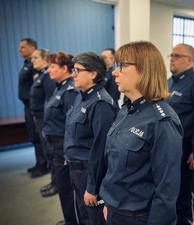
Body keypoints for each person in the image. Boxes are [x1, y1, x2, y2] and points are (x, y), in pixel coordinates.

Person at [100, 41, 183, 225]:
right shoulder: (126, 110)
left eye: (121, 65)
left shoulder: (162, 121)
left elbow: (166, 190)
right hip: (115, 208)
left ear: (145, 69)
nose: (114, 72)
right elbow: (113, 163)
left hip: (138, 217)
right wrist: (109, 202)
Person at [64, 52, 118, 225]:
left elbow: (101, 149)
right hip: (76, 168)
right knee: (82, 214)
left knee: (92, 218)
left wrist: (92, 187)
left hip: (89, 172)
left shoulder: (101, 103)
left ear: (93, 74)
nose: (73, 74)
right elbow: (72, 129)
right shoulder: (82, 96)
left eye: (78, 70)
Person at [167, 43, 194, 225]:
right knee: (170, 194)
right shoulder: (169, 82)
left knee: (185, 197)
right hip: (169, 150)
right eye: (171, 55)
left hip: (186, 152)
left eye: (176, 56)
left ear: (190, 60)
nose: (172, 59)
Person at [43, 52, 79, 225]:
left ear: (65, 68)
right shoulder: (59, 87)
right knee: (62, 186)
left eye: (52, 66)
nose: (49, 70)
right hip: (54, 146)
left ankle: (73, 221)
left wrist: (67, 152)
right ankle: (69, 219)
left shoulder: (70, 90)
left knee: (67, 189)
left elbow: (71, 125)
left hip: (62, 147)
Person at [30, 48, 56, 178]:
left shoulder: (47, 77)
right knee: (47, 150)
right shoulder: (39, 74)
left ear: (45, 59)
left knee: (50, 151)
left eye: (35, 58)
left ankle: (55, 182)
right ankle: (53, 181)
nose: (32, 60)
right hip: (38, 118)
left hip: (44, 119)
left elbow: (50, 101)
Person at [18, 38, 39, 174]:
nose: (20, 50)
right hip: (28, 106)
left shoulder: (34, 65)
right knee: (33, 135)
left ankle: (43, 165)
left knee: (37, 136)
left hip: (33, 106)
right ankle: (39, 162)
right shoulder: (27, 63)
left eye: (23, 47)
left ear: (32, 47)